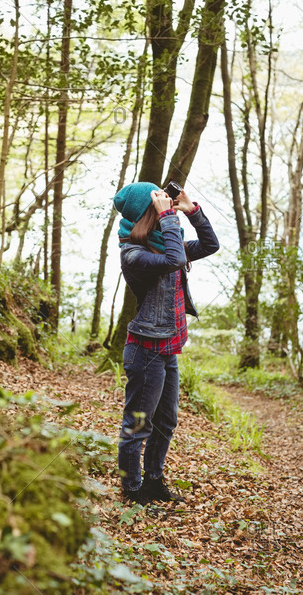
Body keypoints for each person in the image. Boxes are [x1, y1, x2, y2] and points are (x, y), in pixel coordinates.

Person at [113, 181, 220, 505]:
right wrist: (169, 217)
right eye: (158, 204)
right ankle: (132, 491)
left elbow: (210, 245)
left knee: (166, 422)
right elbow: (175, 259)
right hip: (145, 352)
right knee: (137, 426)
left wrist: (192, 211)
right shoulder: (134, 254)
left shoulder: (162, 242)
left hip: (168, 349)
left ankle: (154, 481)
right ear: (148, 213)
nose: (166, 207)